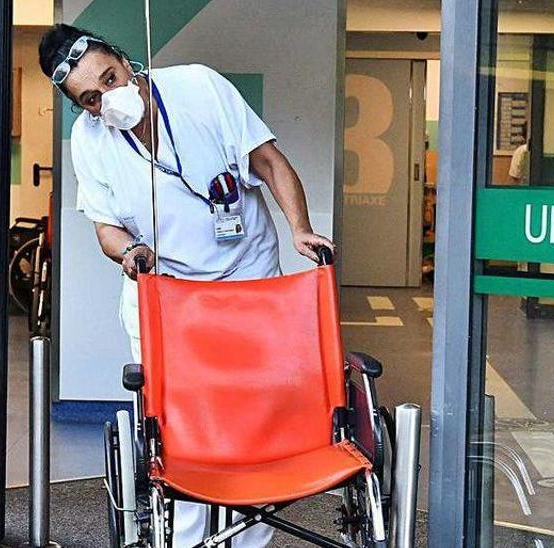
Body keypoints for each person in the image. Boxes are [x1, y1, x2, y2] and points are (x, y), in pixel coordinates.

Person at [39, 24, 334, 548]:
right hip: (167, 293)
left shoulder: (199, 87)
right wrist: (129, 253)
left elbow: (267, 161)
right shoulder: (91, 142)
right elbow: (106, 228)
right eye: (90, 97)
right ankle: (187, 540)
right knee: (182, 430)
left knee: (254, 421)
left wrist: (299, 227)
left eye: (109, 78)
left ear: (126, 61)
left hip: (247, 275)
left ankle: (248, 538)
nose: (106, 97)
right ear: (81, 108)